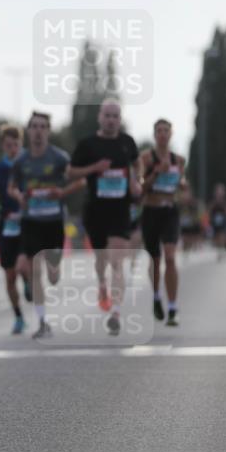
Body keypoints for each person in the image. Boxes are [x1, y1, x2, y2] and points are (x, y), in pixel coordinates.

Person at [67, 100, 141, 336]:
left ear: (120, 119)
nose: (111, 120)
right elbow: (70, 172)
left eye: (115, 116)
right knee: (101, 259)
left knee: (117, 261)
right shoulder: (88, 144)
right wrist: (94, 168)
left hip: (120, 210)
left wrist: (135, 181)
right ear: (100, 117)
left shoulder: (127, 142)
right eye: (107, 115)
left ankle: (116, 313)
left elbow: (136, 163)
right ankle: (101, 284)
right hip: (95, 211)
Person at [8, 112, 84, 339]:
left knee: (52, 276)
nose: (38, 131)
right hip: (31, 221)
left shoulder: (59, 158)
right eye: (34, 126)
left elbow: (80, 181)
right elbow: (11, 187)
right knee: (34, 271)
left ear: (48, 131)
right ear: (29, 130)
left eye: (43, 127)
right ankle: (42, 322)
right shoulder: (21, 161)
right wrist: (19, 196)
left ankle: (56, 266)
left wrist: (62, 192)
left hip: (53, 221)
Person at [0, 123, 29, 334]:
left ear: (21, 145)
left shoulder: (29, 166)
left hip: (28, 224)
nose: (13, 149)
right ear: (3, 146)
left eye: (16, 145)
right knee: (10, 276)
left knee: (23, 266)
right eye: (9, 145)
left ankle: (28, 281)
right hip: (6, 226)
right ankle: (18, 317)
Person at [140, 119, 186, 326]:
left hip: (170, 212)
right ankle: (157, 297)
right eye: (159, 130)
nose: (162, 134)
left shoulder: (179, 160)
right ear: (154, 134)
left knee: (170, 257)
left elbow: (180, 182)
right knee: (155, 260)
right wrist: (157, 171)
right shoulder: (146, 158)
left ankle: (173, 308)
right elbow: (141, 186)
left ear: (171, 133)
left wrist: (183, 185)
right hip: (151, 211)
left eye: (166, 130)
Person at [178, 186, 202, 252]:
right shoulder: (179, 205)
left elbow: (198, 220)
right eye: (184, 194)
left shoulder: (194, 205)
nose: (185, 196)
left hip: (193, 228)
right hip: (183, 228)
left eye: (187, 194)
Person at [208, 183, 226, 260]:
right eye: (218, 192)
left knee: (222, 235)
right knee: (217, 236)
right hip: (215, 222)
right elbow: (210, 212)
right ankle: (220, 250)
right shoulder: (213, 202)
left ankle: (222, 250)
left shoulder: (224, 202)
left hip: (223, 221)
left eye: (221, 192)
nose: (219, 194)